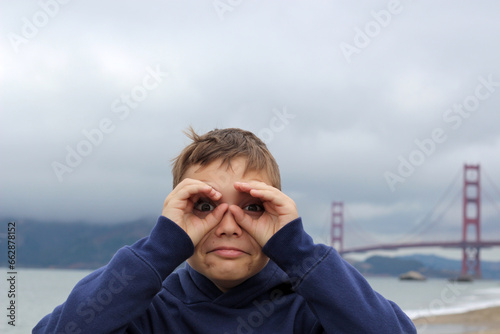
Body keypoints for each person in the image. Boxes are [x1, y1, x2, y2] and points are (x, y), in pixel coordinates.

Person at [33, 127, 416, 333]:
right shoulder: (143, 307)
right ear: (176, 215)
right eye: (205, 207)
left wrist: (298, 250)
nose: (229, 226)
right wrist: (159, 249)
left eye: (253, 208)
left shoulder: (312, 308)